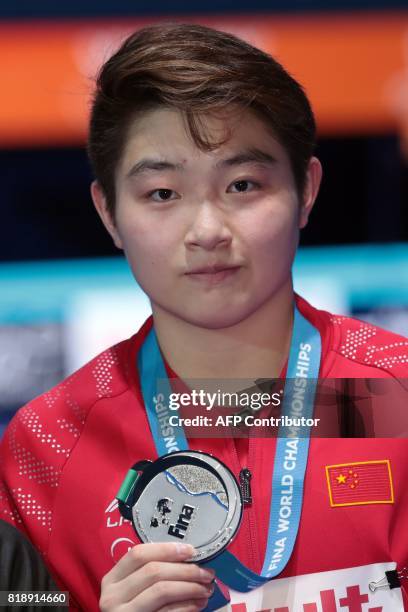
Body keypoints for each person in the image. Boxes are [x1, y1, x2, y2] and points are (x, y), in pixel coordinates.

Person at [0, 22, 407, 612]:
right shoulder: (46, 444)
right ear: (108, 212)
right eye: (162, 193)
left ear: (307, 190)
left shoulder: (395, 392)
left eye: (242, 185)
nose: (208, 231)